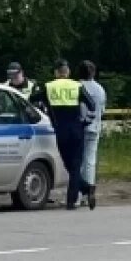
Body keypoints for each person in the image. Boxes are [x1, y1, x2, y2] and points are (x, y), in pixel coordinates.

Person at [35, 59, 96, 210]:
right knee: (75, 166)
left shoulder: (49, 87)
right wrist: (85, 120)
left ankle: (81, 193)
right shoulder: (77, 86)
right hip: (76, 130)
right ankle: (83, 192)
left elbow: (32, 99)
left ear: (56, 72)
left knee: (68, 165)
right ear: (68, 72)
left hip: (59, 131)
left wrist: (44, 108)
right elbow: (92, 105)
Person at [77, 60, 107, 209]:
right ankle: (88, 192)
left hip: (79, 128)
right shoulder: (100, 89)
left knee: (77, 161)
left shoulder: (76, 87)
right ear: (93, 73)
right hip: (94, 128)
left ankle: (76, 194)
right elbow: (102, 111)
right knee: (90, 161)